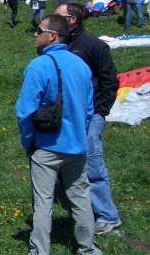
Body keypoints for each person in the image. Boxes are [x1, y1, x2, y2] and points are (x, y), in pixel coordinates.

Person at [16, 15, 101, 255]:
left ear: (52, 36)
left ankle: (40, 250)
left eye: (38, 30)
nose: (35, 34)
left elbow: (24, 112)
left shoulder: (38, 66)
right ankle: (88, 248)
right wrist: (80, 135)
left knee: (43, 202)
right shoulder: (82, 65)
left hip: (46, 146)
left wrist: (28, 140)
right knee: (81, 197)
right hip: (76, 145)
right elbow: (88, 110)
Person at [55, 2, 122, 235]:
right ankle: (79, 210)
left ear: (72, 19)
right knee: (64, 164)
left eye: (58, 16)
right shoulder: (59, 45)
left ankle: (107, 216)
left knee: (93, 164)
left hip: (89, 114)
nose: (54, 19)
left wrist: (100, 113)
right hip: (64, 115)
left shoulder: (93, 46)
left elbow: (110, 81)